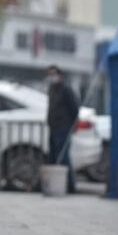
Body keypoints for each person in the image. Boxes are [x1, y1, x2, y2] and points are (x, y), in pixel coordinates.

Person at [46, 65, 79, 193]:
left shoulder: (66, 90)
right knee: (54, 157)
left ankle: (71, 186)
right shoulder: (52, 89)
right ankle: (57, 185)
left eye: (53, 74)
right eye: (49, 75)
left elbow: (74, 108)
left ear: (60, 75)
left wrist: (73, 125)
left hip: (63, 128)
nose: (51, 77)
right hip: (53, 127)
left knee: (64, 157)